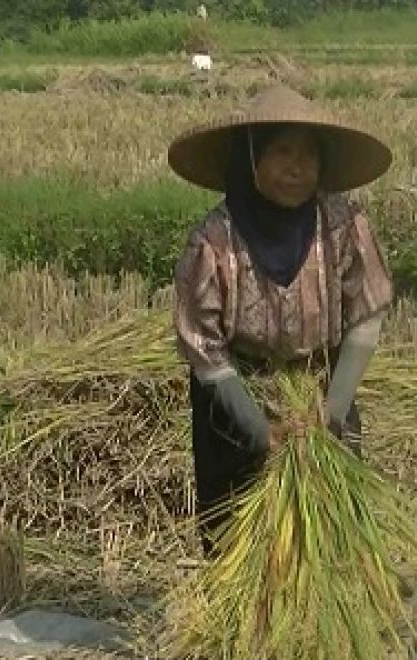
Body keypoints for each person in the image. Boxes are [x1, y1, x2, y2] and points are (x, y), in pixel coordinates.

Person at [167, 84, 395, 556]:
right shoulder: (213, 241)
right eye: (283, 151)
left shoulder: (343, 223)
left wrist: (331, 411)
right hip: (237, 397)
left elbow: (367, 314)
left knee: (337, 526)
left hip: (321, 385)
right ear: (251, 159)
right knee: (238, 536)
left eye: (310, 155)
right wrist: (257, 429)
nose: (298, 167)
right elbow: (204, 348)